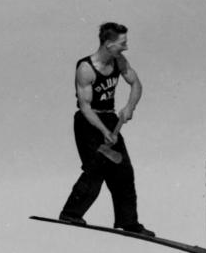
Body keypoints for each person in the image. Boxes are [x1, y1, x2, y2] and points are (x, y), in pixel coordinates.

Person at [58, 22, 154, 237]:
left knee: (123, 171)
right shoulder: (86, 68)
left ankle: (128, 222)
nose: (126, 47)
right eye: (122, 43)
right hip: (88, 124)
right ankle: (70, 213)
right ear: (108, 44)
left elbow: (136, 84)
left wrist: (130, 107)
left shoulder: (119, 61)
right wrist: (103, 131)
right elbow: (85, 107)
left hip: (110, 120)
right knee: (96, 168)